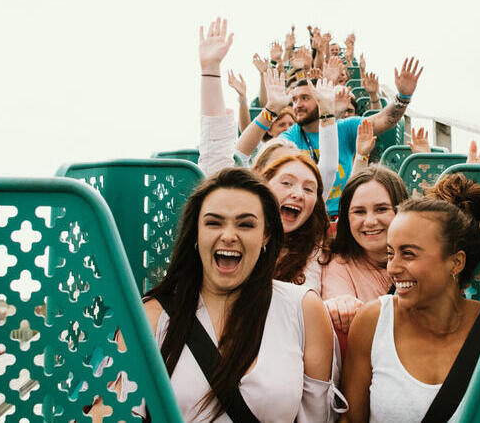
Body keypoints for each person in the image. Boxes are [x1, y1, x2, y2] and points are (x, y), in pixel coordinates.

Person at [138, 168, 341, 423]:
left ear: (266, 235)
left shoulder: (303, 309)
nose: (229, 236)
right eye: (213, 223)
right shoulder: (151, 316)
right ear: (196, 235)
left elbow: (318, 417)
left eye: (245, 224)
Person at [340, 174, 480, 423]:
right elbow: (350, 420)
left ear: (456, 262)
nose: (392, 268)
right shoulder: (373, 323)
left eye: (408, 254)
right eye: (391, 253)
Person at [197, 17, 339, 195]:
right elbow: (222, 161)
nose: (296, 193)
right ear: (261, 178)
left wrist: (326, 110)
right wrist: (210, 70)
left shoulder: (308, 203)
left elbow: (328, 167)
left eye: (305, 185)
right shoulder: (251, 207)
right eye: (286, 181)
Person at [281, 57, 424, 217]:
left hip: (345, 213)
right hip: (308, 213)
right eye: (294, 100)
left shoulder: (345, 128)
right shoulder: (290, 137)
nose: (298, 105)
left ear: (321, 98)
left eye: (305, 98)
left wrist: (403, 97)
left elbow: (385, 120)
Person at [321, 166, 409, 334]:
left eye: (381, 209)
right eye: (359, 212)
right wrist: (341, 304)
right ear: (347, 218)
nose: (370, 221)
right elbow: (337, 299)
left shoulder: (423, 257)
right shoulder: (339, 267)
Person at [261, 153, 332, 291]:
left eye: (308, 189)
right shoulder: (238, 234)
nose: (298, 194)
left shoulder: (317, 249)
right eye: (287, 183)